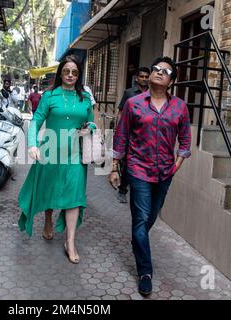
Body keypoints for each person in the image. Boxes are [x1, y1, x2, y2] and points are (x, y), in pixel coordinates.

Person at [109, 56, 191, 297]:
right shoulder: (134, 104)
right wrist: (114, 167)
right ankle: (145, 272)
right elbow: (121, 136)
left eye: (164, 71)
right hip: (139, 170)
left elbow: (185, 142)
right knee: (141, 219)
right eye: (155, 68)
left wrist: (176, 167)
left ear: (171, 81)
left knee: (148, 220)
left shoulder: (180, 107)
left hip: (165, 172)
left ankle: (138, 240)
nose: (158, 72)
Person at [18, 55, 96, 264]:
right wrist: (33, 144)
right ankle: (48, 218)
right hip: (51, 150)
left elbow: (91, 122)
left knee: (74, 194)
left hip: (75, 154)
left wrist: (89, 128)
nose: (70, 75)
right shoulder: (50, 95)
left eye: (75, 72)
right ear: (60, 73)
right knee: (51, 188)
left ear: (79, 76)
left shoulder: (85, 98)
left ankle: (70, 242)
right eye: (66, 71)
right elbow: (35, 120)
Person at [116, 67, 150, 204]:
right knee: (128, 163)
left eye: (146, 76)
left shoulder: (152, 93)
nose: (144, 79)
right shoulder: (129, 93)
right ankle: (123, 190)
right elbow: (120, 112)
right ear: (137, 78)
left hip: (146, 135)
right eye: (141, 76)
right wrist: (118, 130)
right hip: (130, 133)